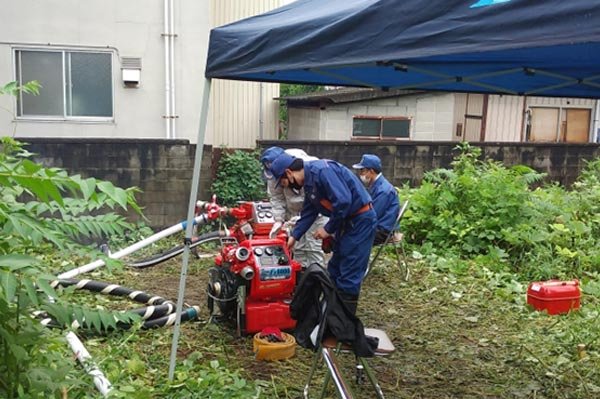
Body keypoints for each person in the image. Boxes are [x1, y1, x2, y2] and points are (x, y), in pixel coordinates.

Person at [269, 153, 377, 315]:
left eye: (284, 182)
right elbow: (309, 211)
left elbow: (343, 201)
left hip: (360, 221)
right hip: (345, 222)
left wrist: (327, 229)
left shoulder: (322, 171)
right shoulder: (310, 182)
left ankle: (343, 327)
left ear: (289, 173)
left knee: (349, 273)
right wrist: (294, 236)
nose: (286, 187)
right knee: (334, 269)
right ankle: (330, 318)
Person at [260, 147, 327, 268]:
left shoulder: (307, 167)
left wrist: (304, 217)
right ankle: (300, 281)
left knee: (314, 248)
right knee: (297, 248)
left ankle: (318, 279)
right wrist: (279, 219)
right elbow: (276, 198)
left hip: (316, 214)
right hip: (294, 214)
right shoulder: (272, 176)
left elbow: (315, 196)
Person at [353, 154, 400, 245]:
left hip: (381, 231)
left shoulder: (383, 190)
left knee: (349, 237)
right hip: (378, 226)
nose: (360, 174)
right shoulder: (377, 185)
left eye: (362, 171)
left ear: (371, 171)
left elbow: (372, 215)